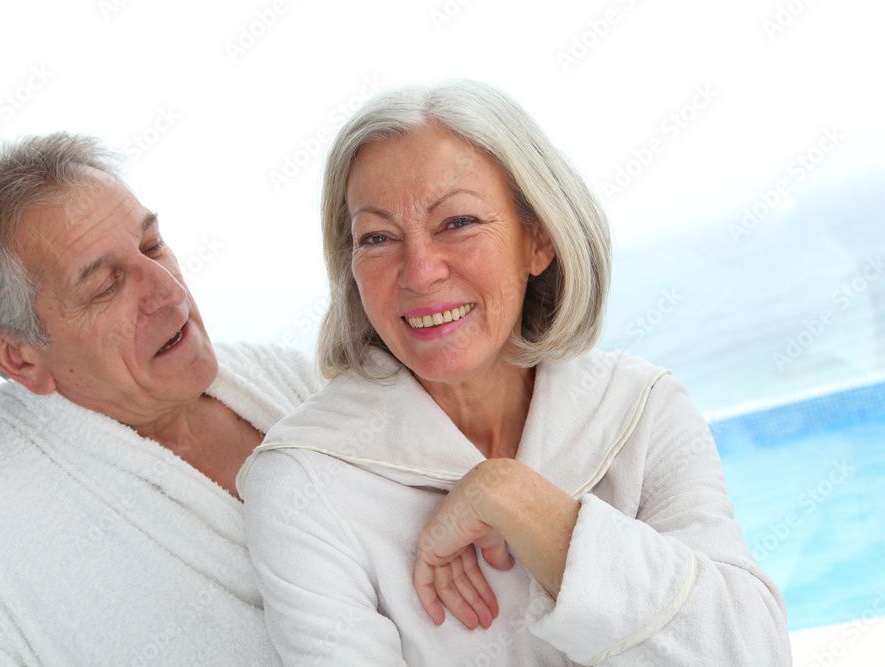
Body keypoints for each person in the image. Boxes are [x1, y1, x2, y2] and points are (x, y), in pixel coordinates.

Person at [239, 80, 792, 665]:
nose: (420, 272)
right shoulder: (304, 483)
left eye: (457, 223)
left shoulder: (642, 410)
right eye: (377, 237)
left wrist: (512, 496)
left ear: (540, 241)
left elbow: (750, 650)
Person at [0, 133, 322, 665]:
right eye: (105, 287)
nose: (170, 292)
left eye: (152, 245)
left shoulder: (293, 380)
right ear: (16, 357)